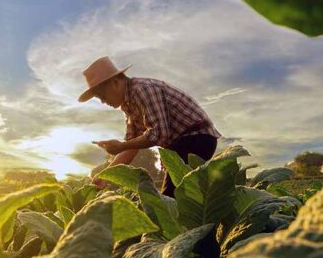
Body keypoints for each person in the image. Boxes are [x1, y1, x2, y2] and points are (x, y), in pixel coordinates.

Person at [78, 56, 221, 197]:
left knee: (171, 199)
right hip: (181, 144)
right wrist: (106, 175)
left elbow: (159, 134)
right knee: (181, 196)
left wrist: (121, 146)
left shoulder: (142, 90)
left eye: (103, 96)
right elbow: (131, 146)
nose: (103, 102)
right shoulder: (129, 105)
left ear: (115, 82)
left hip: (197, 138)